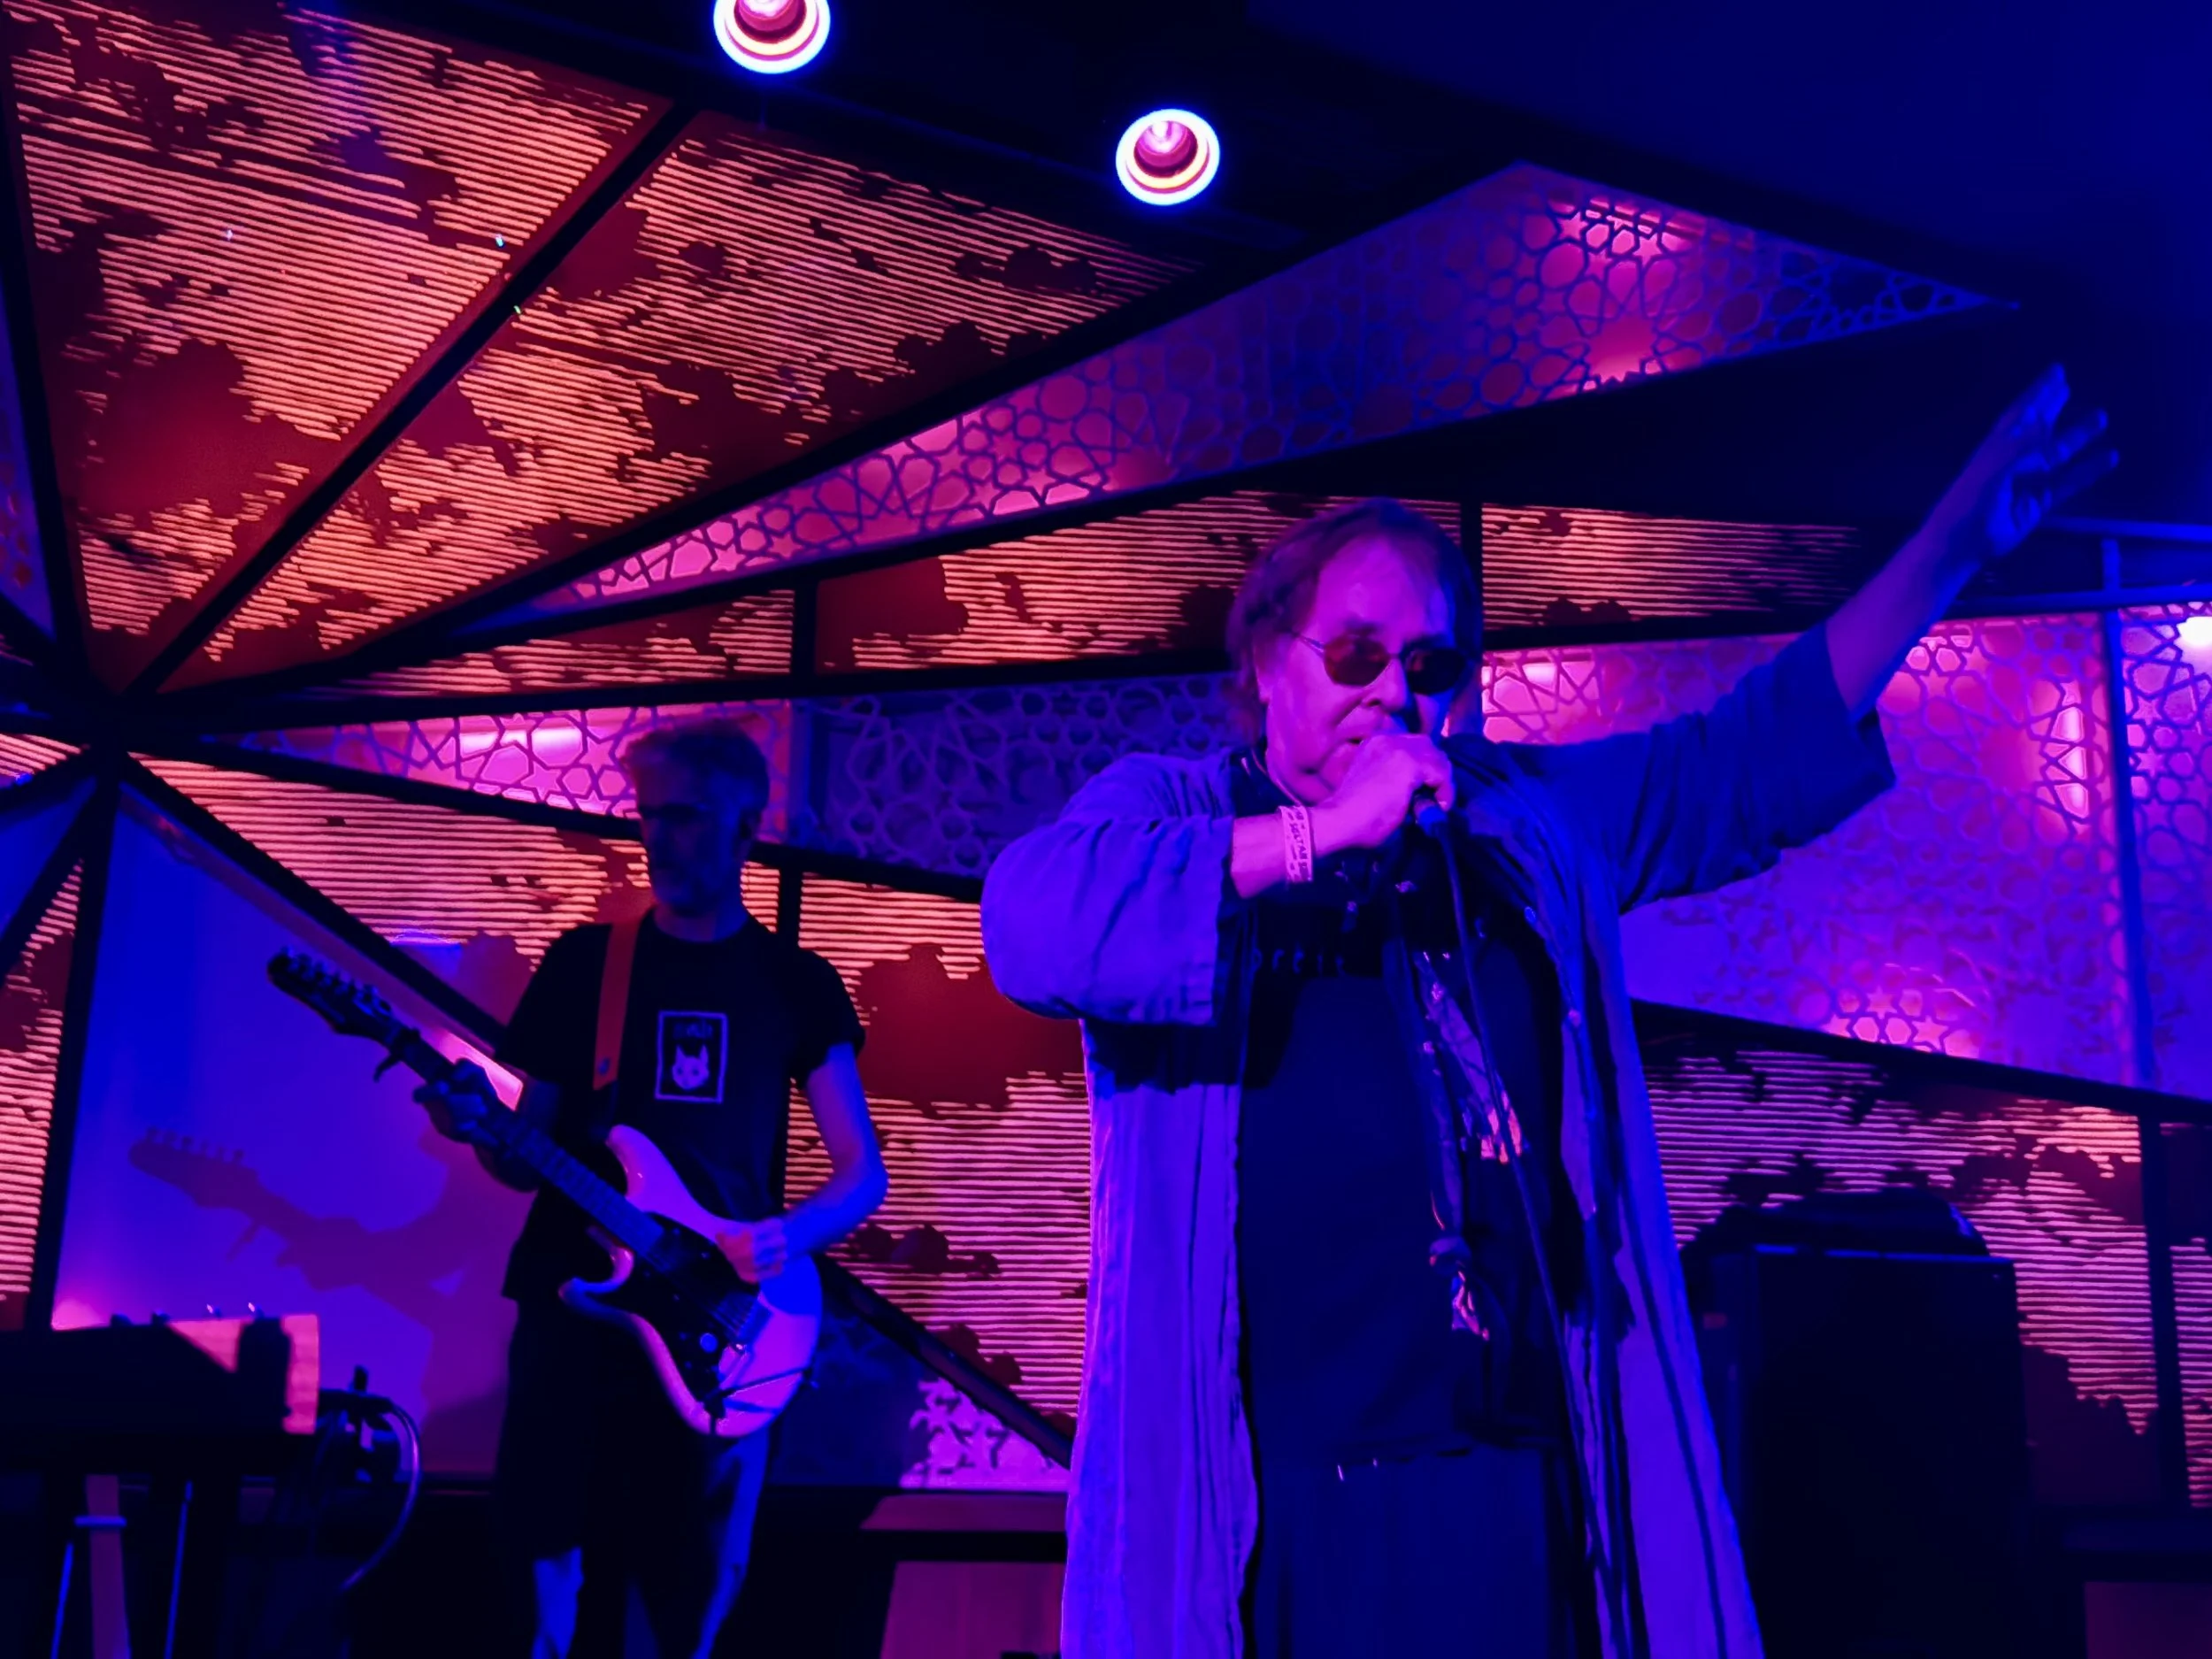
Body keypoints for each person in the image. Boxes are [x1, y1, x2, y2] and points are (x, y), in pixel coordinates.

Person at [979, 367, 2115, 1659]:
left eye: (1429, 665)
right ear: (1265, 663)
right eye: (1353, 654)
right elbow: (1032, 921)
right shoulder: (1177, 811)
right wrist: (1316, 837)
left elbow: (1737, 763)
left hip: (1509, 1487)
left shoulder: (1511, 819)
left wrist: (1950, 547)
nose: (1391, 692)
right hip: (1279, 1509)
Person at [419, 718, 888, 1657]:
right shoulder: (585, 966)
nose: (659, 838)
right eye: (650, 815)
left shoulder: (796, 983)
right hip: (574, 1305)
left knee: (691, 1592)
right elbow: (525, 1156)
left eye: (687, 817)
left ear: (745, 828)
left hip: (720, 1320)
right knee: (540, 1572)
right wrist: (477, 1129)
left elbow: (861, 1175)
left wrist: (784, 1236)